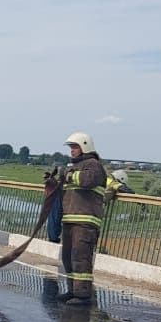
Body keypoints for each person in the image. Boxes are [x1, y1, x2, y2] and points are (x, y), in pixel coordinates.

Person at [57, 130, 107, 305]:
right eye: (71, 147)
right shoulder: (73, 167)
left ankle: (82, 295)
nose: (72, 150)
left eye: (75, 147)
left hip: (86, 222)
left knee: (80, 257)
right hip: (71, 220)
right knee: (68, 257)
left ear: (85, 146)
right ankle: (72, 290)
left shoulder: (93, 165)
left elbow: (87, 181)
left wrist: (68, 175)